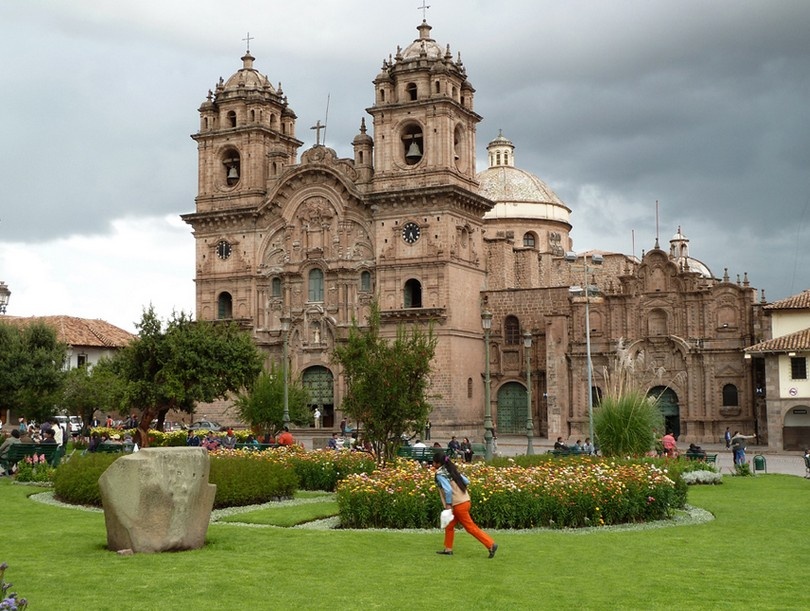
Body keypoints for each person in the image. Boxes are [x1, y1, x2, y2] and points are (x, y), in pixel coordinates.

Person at [433, 451, 498, 558]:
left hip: (458, 505)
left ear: (438, 463)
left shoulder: (440, 474)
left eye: (434, 463)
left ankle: (490, 544)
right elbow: (466, 481)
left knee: (470, 527)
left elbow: (448, 490)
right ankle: (448, 549)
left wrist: (448, 504)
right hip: (465, 501)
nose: (433, 465)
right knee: (449, 526)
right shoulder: (451, 470)